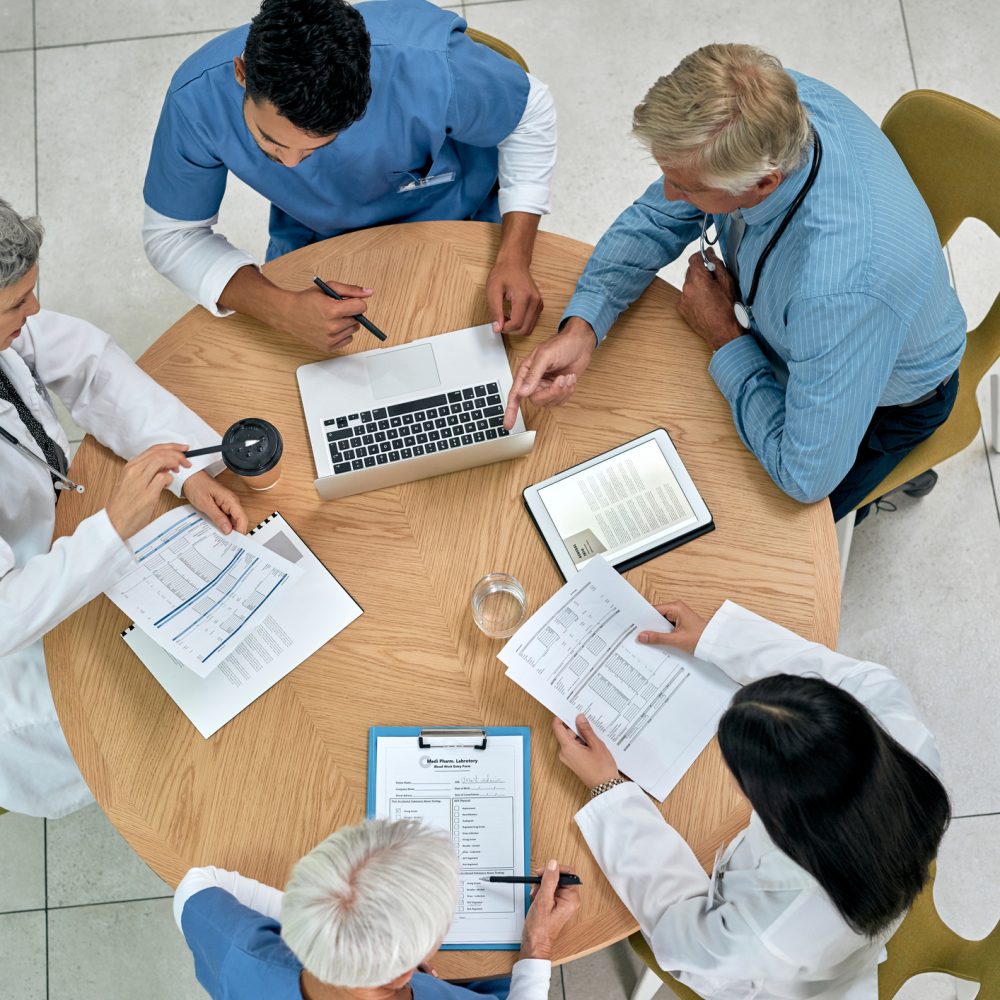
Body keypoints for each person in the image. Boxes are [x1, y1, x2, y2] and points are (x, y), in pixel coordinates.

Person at [503, 44, 965, 522]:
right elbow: (656, 219)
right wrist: (583, 326)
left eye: (687, 187)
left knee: (737, 530)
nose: (668, 193)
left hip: (883, 403)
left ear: (764, 183)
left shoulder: (837, 290)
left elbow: (804, 476)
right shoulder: (765, 102)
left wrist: (724, 333)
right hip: (794, 335)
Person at [552, 597, 950, 1000]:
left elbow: (682, 940)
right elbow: (840, 679)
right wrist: (717, 640)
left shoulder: (768, 931)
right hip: (874, 888)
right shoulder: (904, 735)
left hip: (783, 978)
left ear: (773, 806)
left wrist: (609, 791)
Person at [0, 199, 249, 818]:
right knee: (127, 727)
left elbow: (89, 366)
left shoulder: (14, 329)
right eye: (13, 305)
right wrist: (112, 529)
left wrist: (185, 469)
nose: (31, 314)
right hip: (16, 654)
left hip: (53, 548)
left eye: (31, 294)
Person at [143, 0, 556, 355]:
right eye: (270, 141)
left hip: (461, 221)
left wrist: (514, 258)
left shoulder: (430, 64)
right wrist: (281, 308)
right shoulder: (196, 99)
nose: (289, 166)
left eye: (318, 147)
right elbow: (172, 236)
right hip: (315, 240)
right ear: (242, 72)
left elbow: (530, 111)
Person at [174, 818, 580, 999]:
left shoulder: (238, 956)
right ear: (405, 970)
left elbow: (196, 885)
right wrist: (538, 946)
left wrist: (330, 926)